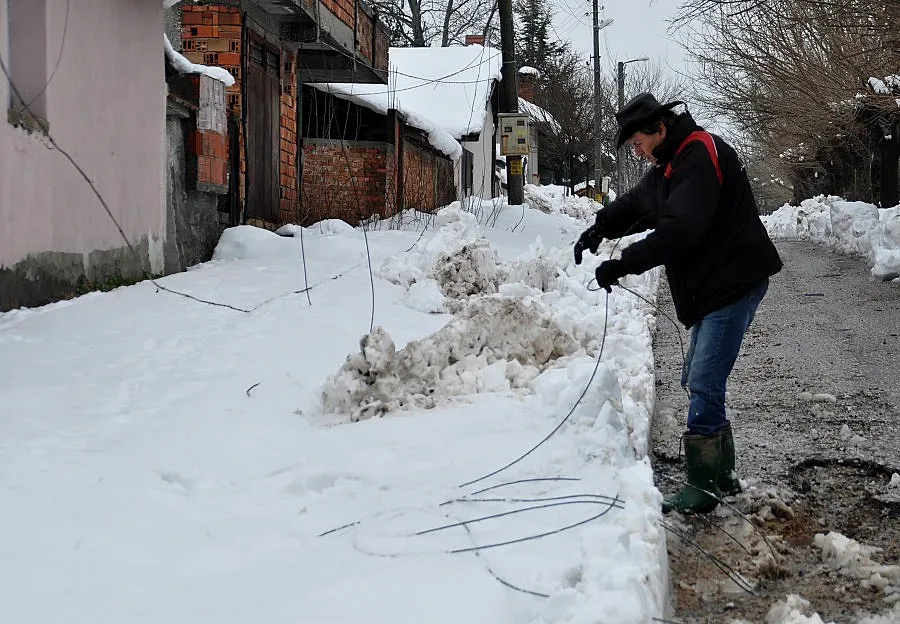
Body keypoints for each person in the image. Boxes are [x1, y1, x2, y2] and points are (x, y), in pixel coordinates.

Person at [574, 93, 783, 514]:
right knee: (698, 376)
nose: (638, 150)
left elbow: (681, 230)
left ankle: (704, 487)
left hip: (733, 281)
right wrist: (599, 229)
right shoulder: (672, 163)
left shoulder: (698, 157)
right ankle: (721, 475)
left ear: (660, 130)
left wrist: (623, 264)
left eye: (638, 143)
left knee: (705, 378)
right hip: (714, 284)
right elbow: (638, 203)